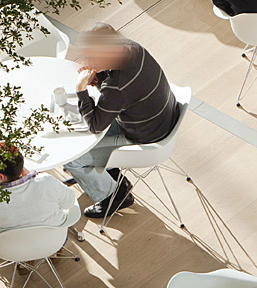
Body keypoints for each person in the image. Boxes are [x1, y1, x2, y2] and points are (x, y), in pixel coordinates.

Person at [65, 24, 179, 219]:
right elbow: (120, 94)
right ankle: (107, 173)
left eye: (94, 57)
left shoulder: (117, 87)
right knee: (79, 136)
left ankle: (114, 196)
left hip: (144, 136)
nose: (88, 62)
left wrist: (81, 89)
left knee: (72, 157)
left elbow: (95, 125)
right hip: (161, 116)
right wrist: (99, 77)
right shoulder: (132, 48)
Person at [0, 143, 78, 235]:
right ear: (22, 168)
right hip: (53, 241)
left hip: (11, 248)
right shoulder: (46, 181)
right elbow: (69, 202)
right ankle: (56, 254)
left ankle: (27, 258)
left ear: (1, 177)